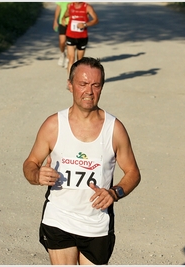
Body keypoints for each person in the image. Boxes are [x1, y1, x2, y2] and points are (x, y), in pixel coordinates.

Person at [23, 57, 141, 265]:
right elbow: (30, 163)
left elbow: (133, 172)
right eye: (83, 84)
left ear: (102, 88)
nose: (89, 91)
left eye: (96, 85)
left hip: (97, 224)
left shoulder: (114, 129)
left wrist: (115, 192)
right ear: (70, 85)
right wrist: (36, 174)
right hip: (59, 218)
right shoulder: (53, 125)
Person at [62, 2, 98, 76]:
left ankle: (78, 78)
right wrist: (63, 18)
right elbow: (66, 15)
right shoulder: (70, 6)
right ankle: (71, 80)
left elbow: (96, 20)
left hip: (82, 37)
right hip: (70, 35)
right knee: (71, 58)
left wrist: (85, 24)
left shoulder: (87, 7)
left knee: (80, 61)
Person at [53, 2, 70, 68]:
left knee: (70, 43)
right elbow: (58, 8)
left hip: (72, 22)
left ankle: (68, 59)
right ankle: (62, 54)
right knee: (62, 42)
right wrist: (55, 20)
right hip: (62, 22)